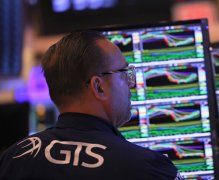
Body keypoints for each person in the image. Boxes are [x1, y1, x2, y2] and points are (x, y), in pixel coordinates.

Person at [0, 31, 182, 180]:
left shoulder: (13, 158)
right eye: (124, 73)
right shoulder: (145, 167)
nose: (131, 84)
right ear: (98, 86)